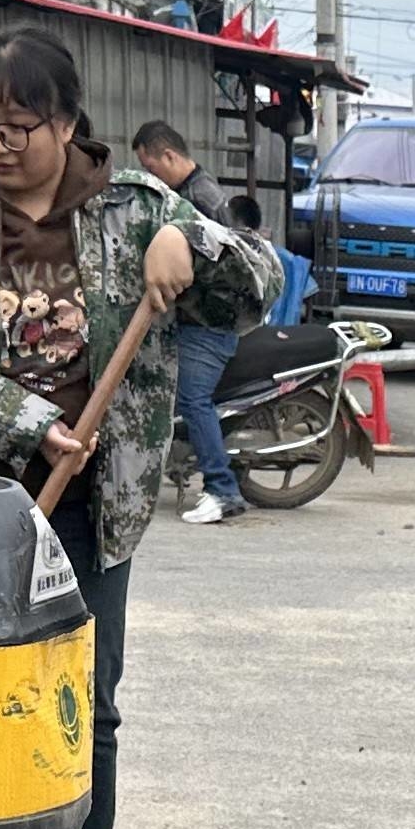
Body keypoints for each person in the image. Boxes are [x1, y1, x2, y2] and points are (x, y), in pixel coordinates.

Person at [0, 32, 280, 829]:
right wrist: (23, 419)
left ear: (66, 122)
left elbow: (256, 283)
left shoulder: (133, 208)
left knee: (86, 692)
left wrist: (191, 237)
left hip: (101, 495)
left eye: (17, 126)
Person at [131, 120, 249, 527]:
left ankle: (223, 489)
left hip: (210, 324)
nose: (150, 178)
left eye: (150, 167)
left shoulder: (202, 199)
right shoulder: (190, 193)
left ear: (168, 156)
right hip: (195, 320)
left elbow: (224, 266)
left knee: (194, 400)